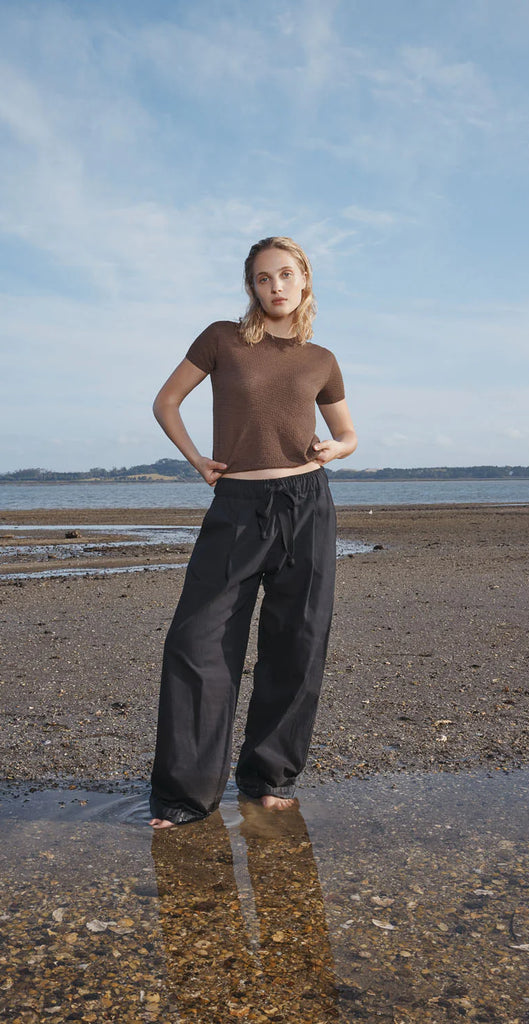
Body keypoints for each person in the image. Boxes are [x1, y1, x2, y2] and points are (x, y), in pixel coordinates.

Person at [149, 236, 357, 828]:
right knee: (197, 643)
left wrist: (333, 449)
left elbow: (349, 435)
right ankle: (184, 796)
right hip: (237, 503)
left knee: (298, 643)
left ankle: (269, 776)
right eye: (263, 279)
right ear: (251, 287)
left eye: (286, 275)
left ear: (305, 281)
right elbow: (167, 402)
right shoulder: (222, 339)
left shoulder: (322, 359)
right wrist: (198, 461)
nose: (275, 287)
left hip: (307, 503)